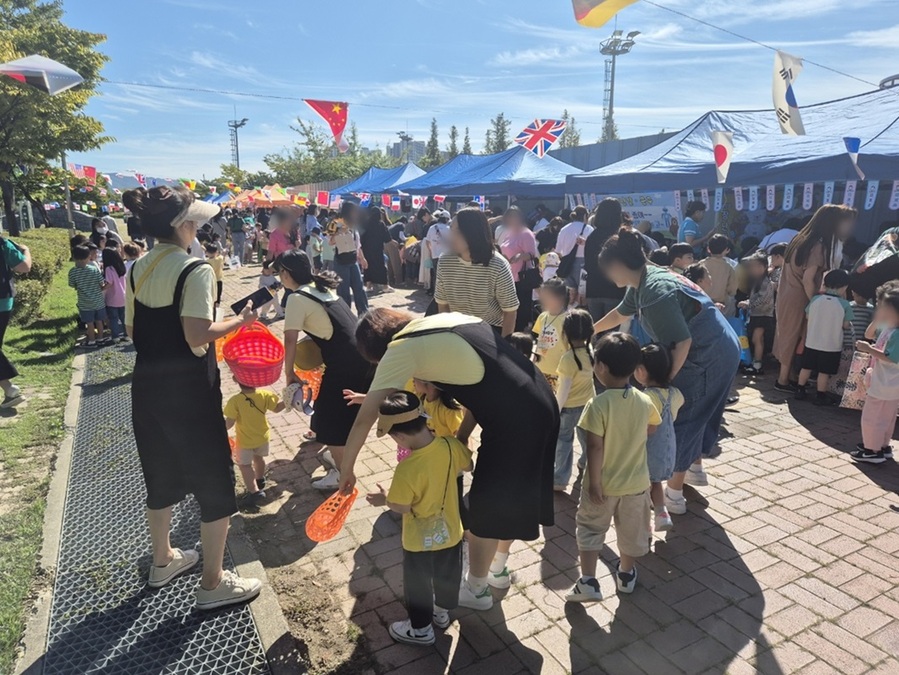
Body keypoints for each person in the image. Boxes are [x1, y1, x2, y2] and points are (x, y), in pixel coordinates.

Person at [342, 309, 559, 611]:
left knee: (487, 505)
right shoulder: (446, 324)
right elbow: (481, 388)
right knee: (509, 495)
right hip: (540, 400)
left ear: (376, 349)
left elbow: (364, 420)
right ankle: (496, 569)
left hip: (516, 421)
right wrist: (461, 436)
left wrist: (346, 469)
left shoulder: (401, 348)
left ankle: (477, 589)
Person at [123, 185, 261, 610]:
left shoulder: (137, 268)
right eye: (196, 222)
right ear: (183, 226)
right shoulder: (194, 269)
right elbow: (197, 335)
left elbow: (133, 332)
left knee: (159, 470)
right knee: (214, 482)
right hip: (189, 391)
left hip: (147, 385)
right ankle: (212, 583)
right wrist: (239, 320)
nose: (199, 228)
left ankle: (163, 559)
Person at [592, 228, 741, 515]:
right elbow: (622, 313)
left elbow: (682, 342)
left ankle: (673, 497)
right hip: (720, 344)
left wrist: (664, 384)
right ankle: (694, 470)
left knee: (682, 417)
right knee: (698, 411)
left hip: (706, 352)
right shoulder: (645, 279)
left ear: (618, 266)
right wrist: (591, 328)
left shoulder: (654, 291)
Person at [365, 391, 473, 646]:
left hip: (419, 542)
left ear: (400, 436)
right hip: (451, 534)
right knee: (448, 576)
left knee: (418, 584)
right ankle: (442, 613)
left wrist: (384, 499)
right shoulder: (450, 445)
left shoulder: (408, 468)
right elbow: (468, 466)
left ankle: (421, 629)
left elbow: (401, 506)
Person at [566, 332, 660, 602]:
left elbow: (595, 447)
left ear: (601, 368)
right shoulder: (644, 401)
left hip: (603, 484)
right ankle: (626, 575)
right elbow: (653, 426)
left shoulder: (597, 405)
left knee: (591, 528)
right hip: (637, 484)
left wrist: (594, 482)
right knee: (631, 531)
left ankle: (588, 582)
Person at [277, 250, 373, 490]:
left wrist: (289, 374)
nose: (279, 277)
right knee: (335, 416)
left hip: (346, 364)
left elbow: (290, 340)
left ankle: (343, 476)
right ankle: (337, 457)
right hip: (364, 356)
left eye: (280, 272)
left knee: (328, 423)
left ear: (287, 274)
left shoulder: (296, 298)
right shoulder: (320, 287)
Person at [773, 205, 857, 392]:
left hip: (788, 294)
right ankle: (783, 380)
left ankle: (790, 378)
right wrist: (816, 302)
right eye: (846, 222)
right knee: (794, 337)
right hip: (799, 297)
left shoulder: (801, 239)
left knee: (790, 336)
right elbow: (808, 279)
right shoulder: (818, 245)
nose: (848, 227)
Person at [434, 208, 519, 336]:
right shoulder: (445, 260)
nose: (451, 236)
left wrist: (504, 347)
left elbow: (510, 311)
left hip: (489, 332)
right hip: (456, 330)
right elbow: (443, 304)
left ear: (473, 233)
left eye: (456, 231)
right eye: (450, 229)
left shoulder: (498, 265)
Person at [634, 343, 684, 533]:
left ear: (641, 371)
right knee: (656, 483)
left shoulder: (646, 398)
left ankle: (645, 525)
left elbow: (645, 426)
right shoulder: (674, 393)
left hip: (648, 452)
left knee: (643, 489)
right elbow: (680, 405)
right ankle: (662, 514)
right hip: (667, 452)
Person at [852, 282, 899, 463]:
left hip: (884, 381)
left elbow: (891, 357)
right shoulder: (890, 328)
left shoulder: (896, 333)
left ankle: (872, 449)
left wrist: (868, 349)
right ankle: (882, 446)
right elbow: (870, 333)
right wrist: (878, 319)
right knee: (887, 417)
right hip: (889, 383)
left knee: (872, 416)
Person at [224, 377, 286, 505]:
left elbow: (229, 423)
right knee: (259, 459)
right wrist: (289, 398)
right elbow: (277, 408)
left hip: (245, 441)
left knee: (244, 466)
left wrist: (217, 429)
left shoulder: (235, 401)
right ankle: (260, 479)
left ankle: (255, 492)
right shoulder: (265, 395)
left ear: (236, 380)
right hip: (262, 437)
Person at [796, 269, 853, 404]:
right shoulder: (845, 305)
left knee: (806, 367)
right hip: (831, 345)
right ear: (844, 287)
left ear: (825, 284)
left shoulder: (815, 299)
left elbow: (808, 316)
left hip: (812, 342)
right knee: (824, 371)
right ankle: (820, 395)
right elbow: (846, 325)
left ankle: (800, 389)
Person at [553, 310, 594, 492]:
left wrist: (556, 409)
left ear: (565, 333)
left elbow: (563, 390)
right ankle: (585, 465)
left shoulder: (568, 359)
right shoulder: (590, 351)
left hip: (568, 408)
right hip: (588, 404)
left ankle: (560, 479)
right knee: (586, 439)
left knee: (563, 442)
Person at [583, 199, 627, 322]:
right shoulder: (619, 236)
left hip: (593, 289)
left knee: (595, 330)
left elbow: (588, 264)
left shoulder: (592, 236)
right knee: (612, 335)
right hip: (615, 289)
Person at [0, 236, 31, 408]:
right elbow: (24, 267)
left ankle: (10, 389)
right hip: (2, 302)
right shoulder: (4, 244)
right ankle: (9, 389)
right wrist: (26, 251)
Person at [499, 206, 540, 332]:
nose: (512, 220)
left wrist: (520, 256)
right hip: (508, 276)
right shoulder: (508, 233)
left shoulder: (526, 233)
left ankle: (520, 333)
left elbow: (532, 255)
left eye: (514, 216)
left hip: (521, 278)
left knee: (521, 310)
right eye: (509, 217)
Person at [737, 253, 776, 375]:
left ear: (764, 266)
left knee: (757, 339)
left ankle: (757, 365)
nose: (752, 269)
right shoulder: (757, 281)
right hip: (757, 315)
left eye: (756, 266)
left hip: (763, 315)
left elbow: (763, 299)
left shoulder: (765, 282)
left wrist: (749, 304)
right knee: (756, 339)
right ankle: (756, 362)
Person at [328, 202, 369, 315]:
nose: (356, 213)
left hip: (353, 260)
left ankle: (364, 313)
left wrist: (362, 258)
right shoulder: (336, 223)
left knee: (359, 288)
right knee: (343, 290)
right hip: (341, 261)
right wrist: (339, 233)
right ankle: (345, 315)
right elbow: (330, 242)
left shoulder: (354, 225)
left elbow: (357, 244)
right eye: (354, 211)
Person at [532, 278, 569, 390]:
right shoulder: (542, 317)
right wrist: (533, 358)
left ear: (560, 299)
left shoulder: (569, 320)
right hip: (541, 369)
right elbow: (540, 340)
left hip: (560, 372)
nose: (542, 300)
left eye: (547, 297)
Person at [69, 245, 109, 347]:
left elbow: (72, 285)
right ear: (88, 257)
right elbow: (101, 283)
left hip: (85, 303)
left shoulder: (73, 272)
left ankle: (91, 340)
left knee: (89, 323)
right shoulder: (93, 270)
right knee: (99, 321)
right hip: (98, 301)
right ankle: (100, 338)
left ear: (73, 257)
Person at [556, 206, 594, 304]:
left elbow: (558, 251)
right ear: (585, 216)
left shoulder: (564, 229)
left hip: (566, 264)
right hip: (583, 264)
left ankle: (569, 316)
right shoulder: (589, 229)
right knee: (582, 296)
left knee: (570, 296)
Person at [702, 235, 738, 314]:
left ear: (708, 249)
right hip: (721, 306)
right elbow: (732, 290)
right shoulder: (729, 268)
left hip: (702, 303)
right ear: (727, 250)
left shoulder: (700, 265)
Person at [360, 207, 391, 292]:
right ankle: (385, 286)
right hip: (378, 249)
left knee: (368, 267)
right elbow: (387, 238)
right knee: (380, 266)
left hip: (366, 249)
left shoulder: (365, 223)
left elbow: (361, 236)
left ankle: (369, 285)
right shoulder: (381, 224)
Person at [102, 247, 128, 342]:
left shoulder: (109, 269)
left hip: (112, 298)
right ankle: (127, 335)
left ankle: (116, 337)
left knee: (113, 319)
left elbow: (110, 283)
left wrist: (102, 288)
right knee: (124, 317)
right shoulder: (121, 266)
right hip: (123, 296)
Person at [424, 210, 451, 295]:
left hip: (434, 255)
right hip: (446, 256)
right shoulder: (448, 229)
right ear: (447, 219)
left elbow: (427, 242)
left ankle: (435, 293)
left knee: (435, 274)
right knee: (445, 276)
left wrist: (431, 250)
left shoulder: (432, 228)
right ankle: (443, 294)